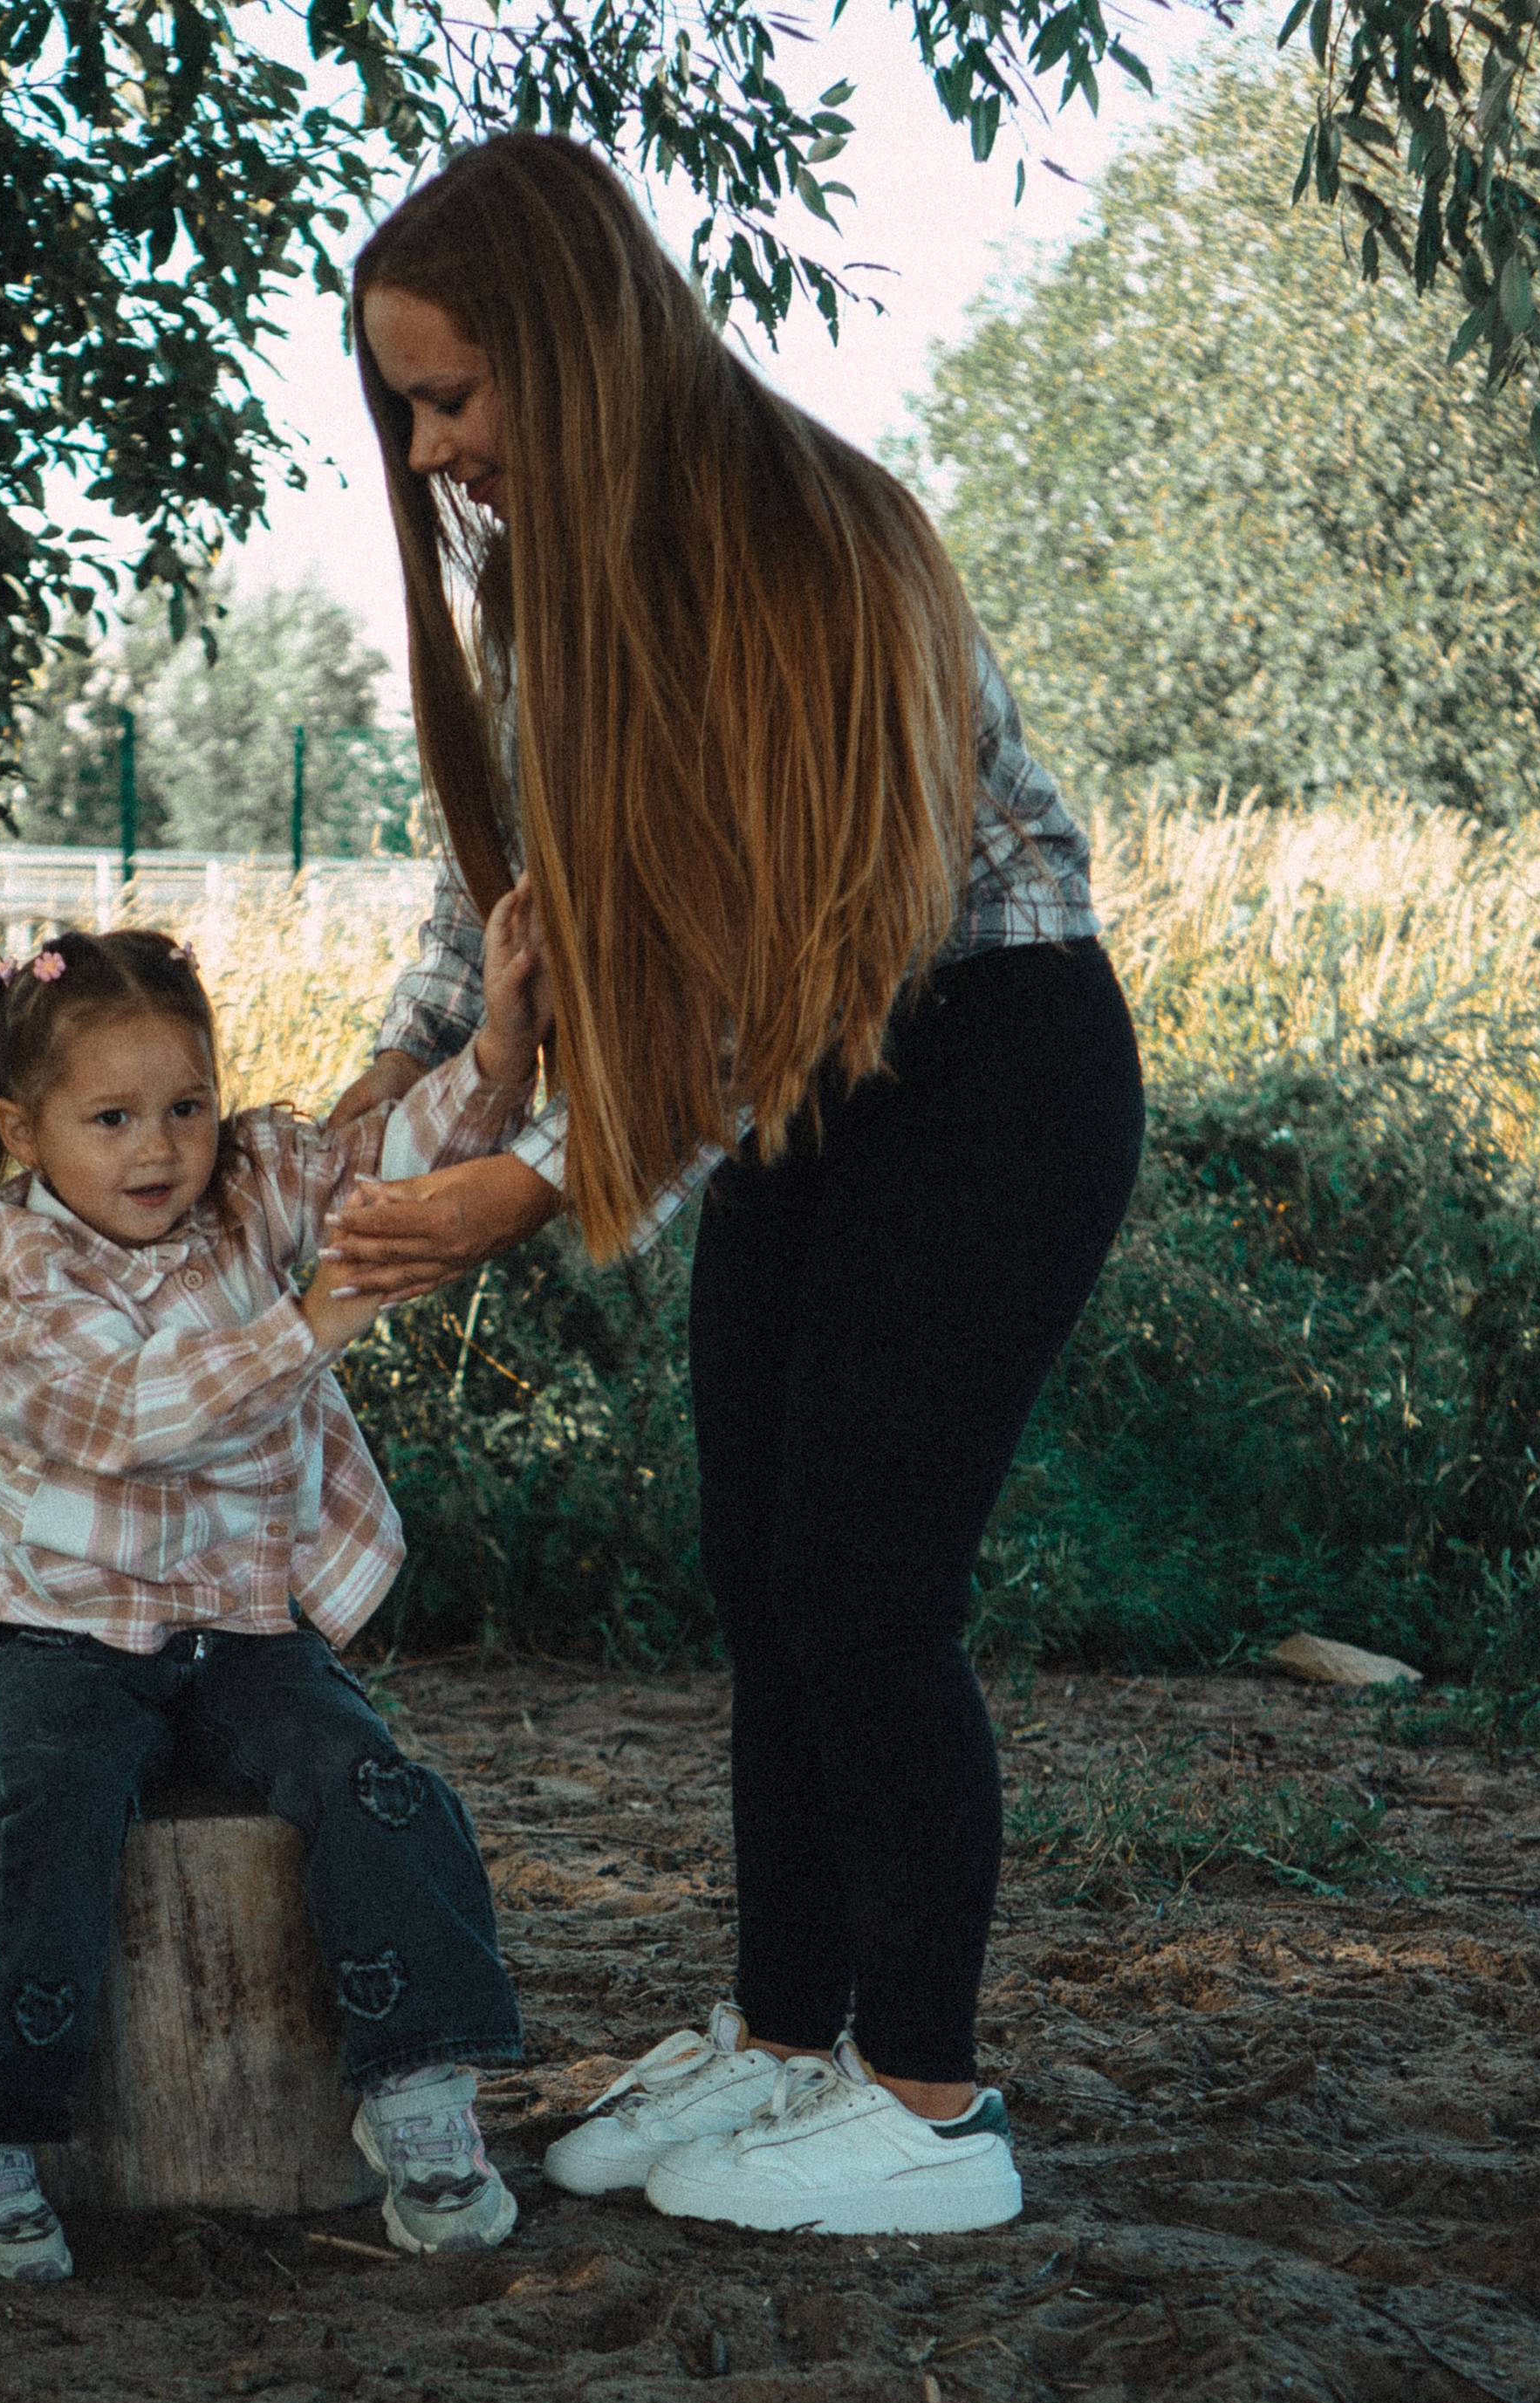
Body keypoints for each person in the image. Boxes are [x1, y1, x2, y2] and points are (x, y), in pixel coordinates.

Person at [320, 134, 1146, 2242]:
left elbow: (792, 957)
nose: (429, 455)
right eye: (403, 409)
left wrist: (541, 1184)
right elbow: (499, 902)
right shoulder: (545, 589)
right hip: (801, 1097)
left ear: (577, 351)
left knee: (869, 1590)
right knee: (761, 1576)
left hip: (980, 1069)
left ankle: (931, 2107)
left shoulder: (810, 542)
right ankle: (789, 2040)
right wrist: (384, 1094)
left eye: (455, 398)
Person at [0, 906, 551, 2281]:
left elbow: (392, 1161)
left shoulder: (248, 1178)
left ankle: (420, 2094)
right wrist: (310, 1328)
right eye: (113, 1119)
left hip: (244, 1628)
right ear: (26, 1133)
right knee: (44, 1824)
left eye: (186, 1105)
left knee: (373, 1784)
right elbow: (143, 1412)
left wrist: (498, 1041)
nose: (162, 1148)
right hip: (71, 1636)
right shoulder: (29, 1270)